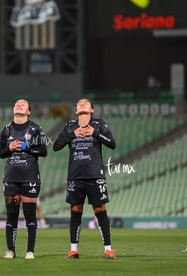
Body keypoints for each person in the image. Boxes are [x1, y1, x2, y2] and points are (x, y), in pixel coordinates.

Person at [53, 98, 117, 259]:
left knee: (100, 211)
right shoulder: (69, 126)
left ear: (92, 110)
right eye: (79, 103)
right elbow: (56, 146)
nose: (81, 103)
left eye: (85, 103)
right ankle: (73, 250)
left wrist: (94, 133)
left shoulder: (99, 124)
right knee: (75, 211)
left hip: (95, 175)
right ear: (75, 111)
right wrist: (72, 134)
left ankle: (108, 249)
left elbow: (112, 143)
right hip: (75, 176)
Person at [0, 99, 47, 259]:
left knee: (30, 216)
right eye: (16, 103)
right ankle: (11, 251)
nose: (18, 105)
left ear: (29, 111)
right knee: (11, 216)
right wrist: (9, 148)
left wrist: (27, 147)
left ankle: (30, 251)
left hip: (30, 178)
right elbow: (2, 153)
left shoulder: (36, 129)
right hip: (10, 178)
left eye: (23, 104)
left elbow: (43, 151)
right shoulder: (7, 129)